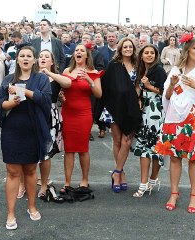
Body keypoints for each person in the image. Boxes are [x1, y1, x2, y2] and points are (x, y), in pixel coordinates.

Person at [154, 34, 195, 213]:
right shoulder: (175, 70)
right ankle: (174, 193)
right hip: (175, 119)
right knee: (174, 157)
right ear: (187, 50)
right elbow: (166, 97)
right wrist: (172, 85)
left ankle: (193, 196)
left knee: (194, 159)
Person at [0, 46, 52, 229]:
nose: (26, 58)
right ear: (17, 59)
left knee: (30, 170)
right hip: (12, 131)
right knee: (12, 172)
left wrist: (26, 92)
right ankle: (10, 213)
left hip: (33, 131)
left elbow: (45, 100)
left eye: (29, 56)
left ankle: (31, 206)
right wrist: (10, 103)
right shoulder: (8, 79)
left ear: (34, 60)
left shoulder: (42, 79)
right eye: (22, 56)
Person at [98, 37, 141, 193]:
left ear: (133, 49)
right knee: (117, 141)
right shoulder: (113, 65)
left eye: (130, 47)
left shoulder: (138, 65)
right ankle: (120, 173)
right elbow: (106, 86)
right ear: (120, 49)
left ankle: (116, 172)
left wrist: (138, 99)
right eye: (125, 47)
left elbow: (138, 86)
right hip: (114, 108)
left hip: (131, 108)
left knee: (127, 142)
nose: (128, 49)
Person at [60, 43, 103, 193]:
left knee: (83, 148)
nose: (78, 52)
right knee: (69, 149)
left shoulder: (93, 71)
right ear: (74, 55)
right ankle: (67, 182)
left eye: (82, 51)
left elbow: (98, 94)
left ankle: (84, 180)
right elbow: (63, 92)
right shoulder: (67, 71)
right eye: (76, 50)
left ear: (86, 55)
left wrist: (89, 80)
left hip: (84, 114)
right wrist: (61, 98)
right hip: (68, 112)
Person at [133, 44, 167, 197]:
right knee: (143, 147)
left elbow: (165, 92)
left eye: (152, 53)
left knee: (154, 147)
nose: (149, 55)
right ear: (141, 55)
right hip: (144, 110)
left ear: (156, 55)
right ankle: (143, 183)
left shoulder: (159, 70)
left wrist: (148, 86)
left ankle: (153, 180)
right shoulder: (142, 69)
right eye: (146, 53)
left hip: (156, 111)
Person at [37, 49, 71, 201]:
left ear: (52, 61)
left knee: (45, 154)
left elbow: (68, 83)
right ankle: (23, 185)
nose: (43, 58)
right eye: (40, 56)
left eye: (46, 56)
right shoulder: (31, 76)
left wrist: (48, 73)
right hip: (33, 114)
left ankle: (44, 185)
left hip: (50, 116)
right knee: (28, 151)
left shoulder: (56, 77)